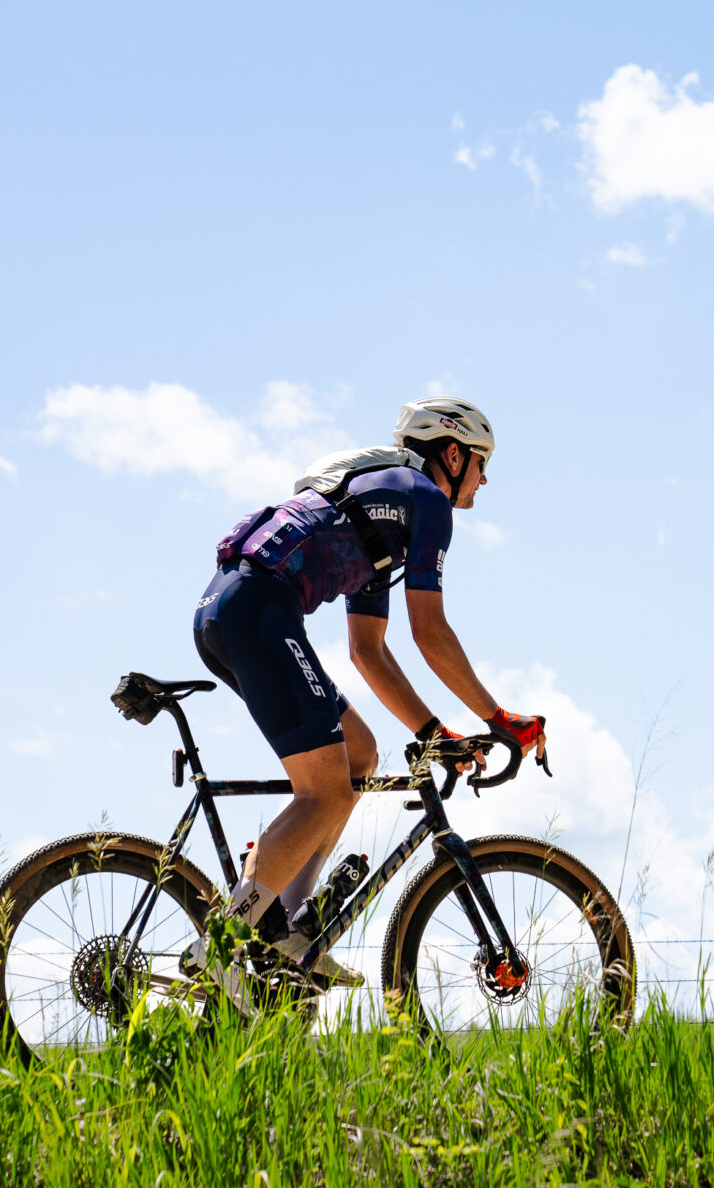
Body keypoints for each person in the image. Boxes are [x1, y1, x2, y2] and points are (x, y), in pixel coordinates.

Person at [186, 396, 544, 994]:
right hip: (257, 611)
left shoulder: (383, 513)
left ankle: (294, 930)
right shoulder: (425, 500)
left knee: (359, 754)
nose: (485, 478)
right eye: (482, 462)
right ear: (452, 454)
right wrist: (498, 717)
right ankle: (221, 942)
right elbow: (429, 632)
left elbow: (368, 650)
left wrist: (433, 734)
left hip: (230, 610)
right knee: (323, 792)